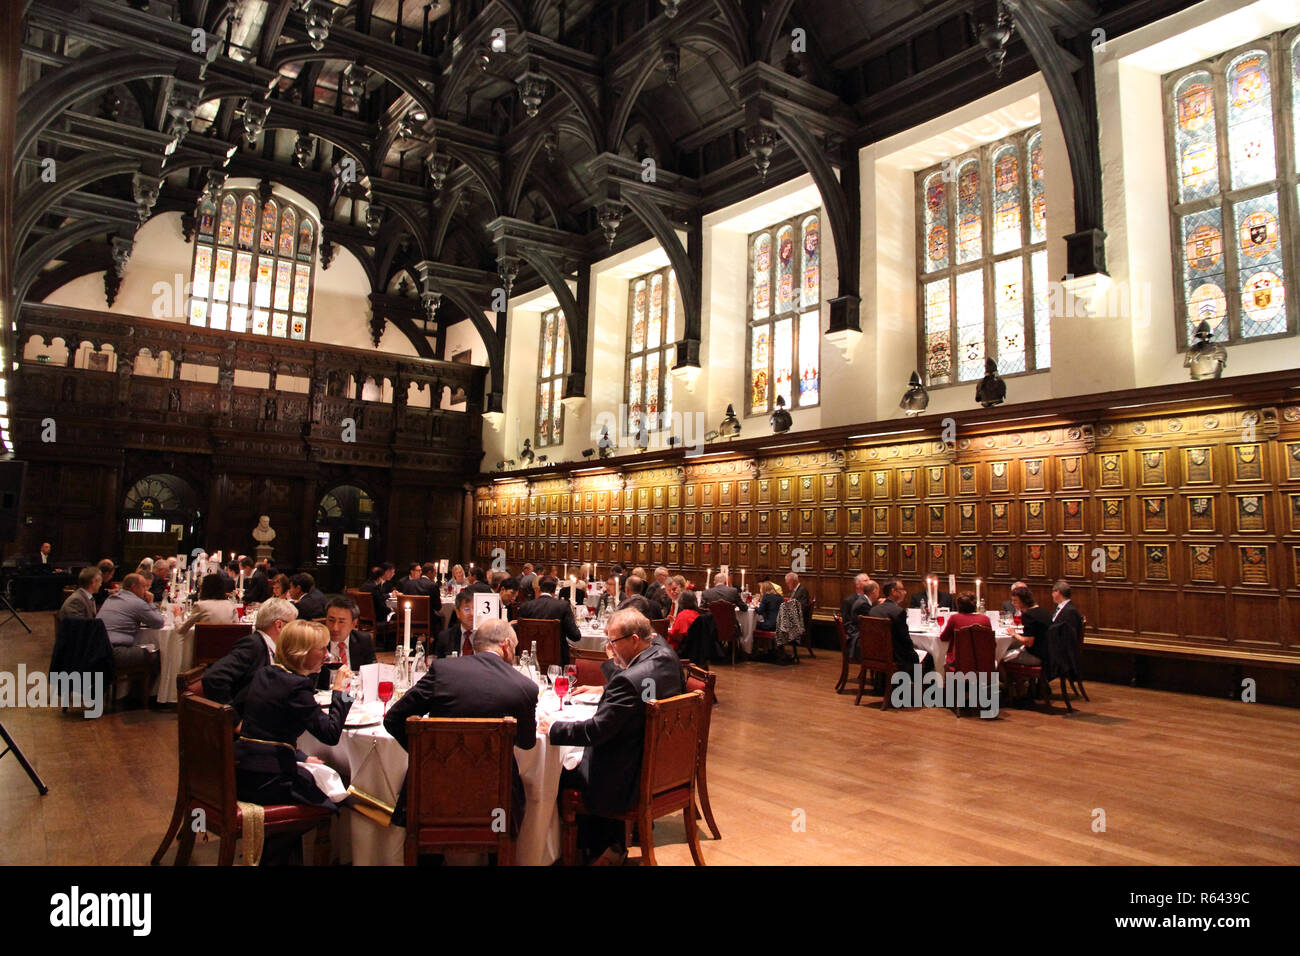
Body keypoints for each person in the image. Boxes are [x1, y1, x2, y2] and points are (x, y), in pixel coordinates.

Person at [540, 610, 684, 865]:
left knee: (556, 770)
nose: (609, 648)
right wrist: (610, 682)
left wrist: (553, 728)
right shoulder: (666, 657)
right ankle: (610, 846)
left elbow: (595, 732)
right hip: (657, 769)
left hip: (623, 781)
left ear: (636, 639)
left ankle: (571, 851)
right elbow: (637, 689)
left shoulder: (628, 682)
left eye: (613, 642)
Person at [384, 619, 539, 828]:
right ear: (507, 645)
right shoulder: (524, 687)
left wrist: (427, 756)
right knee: (505, 809)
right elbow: (527, 743)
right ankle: (499, 850)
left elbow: (393, 719)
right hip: (497, 803)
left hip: (431, 795)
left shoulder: (443, 671)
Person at [234, 620, 353, 863]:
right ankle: (270, 853)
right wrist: (340, 691)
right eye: (321, 649)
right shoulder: (297, 686)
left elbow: (265, 728)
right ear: (302, 653)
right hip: (269, 781)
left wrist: (302, 756)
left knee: (318, 773)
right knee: (340, 793)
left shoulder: (266, 673)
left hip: (243, 768)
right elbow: (330, 734)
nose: (327, 654)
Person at [201, 598, 299, 715]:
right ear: (279, 625)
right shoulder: (253, 645)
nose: (294, 631)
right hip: (251, 723)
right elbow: (213, 678)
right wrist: (234, 721)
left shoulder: (270, 646)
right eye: (292, 625)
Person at [96, 572, 164, 682]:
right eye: (143, 586)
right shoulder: (137, 603)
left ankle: (126, 692)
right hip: (115, 652)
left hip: (97, 649)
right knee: (158, 655)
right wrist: (150, 603)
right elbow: (159, 622)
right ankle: (144, 696)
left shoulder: (111, 598)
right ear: (133, 587)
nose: (145, 591)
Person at [868, 579, 929, 674]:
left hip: (875, 654)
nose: (905, 592)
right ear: (893, 591)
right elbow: (905, 640)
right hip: (895, 656)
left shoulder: (874, 610)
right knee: (928, 658)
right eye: (902, 589)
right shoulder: (898, 612)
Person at [316, 596, 377, 689]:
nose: (335, 628)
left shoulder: (363, 640)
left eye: (341, 622)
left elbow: (372, 672)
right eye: (331, 620)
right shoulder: (317, 641)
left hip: (354, 694)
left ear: (354, 623)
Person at [515, 576, 579, 662]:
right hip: (558, 660)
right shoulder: (563, 606)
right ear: (555, 590)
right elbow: (575, 636)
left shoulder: (525, 606)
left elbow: (519, 633)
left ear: (539, 588)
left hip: (529, 657)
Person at [937, 591, 994, 666]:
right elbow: (991, 642)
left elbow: (943, 638)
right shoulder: (985, 619)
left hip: (959, 662)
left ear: (958, 606)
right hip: (983, 662)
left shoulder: (955, 618)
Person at [1005, 585, 1052, 668]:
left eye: (1015, 601)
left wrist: (1014, 634)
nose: (1012, 603)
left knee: (1001, 656)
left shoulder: (1028, 615)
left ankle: (1010, 681)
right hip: (1048, 654)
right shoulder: (1042, 610)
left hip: (1037, 656)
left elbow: (1028, 642)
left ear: (1024, 601)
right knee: (1010, 647)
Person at [432, 589, 476, 658]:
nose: (472, 614)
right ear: (457, 613)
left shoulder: (487, 638)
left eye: (475, 609)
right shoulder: (445, 637)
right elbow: (439, 665)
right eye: (466, 609)